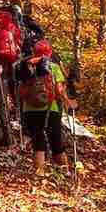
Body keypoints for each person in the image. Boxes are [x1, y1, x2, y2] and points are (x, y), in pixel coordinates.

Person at [14, 39, 73, 178]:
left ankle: (39, 174)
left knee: (38, 142)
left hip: (30, 110)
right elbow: (58, 90)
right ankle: (65, 174)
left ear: (34, 52)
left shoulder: (26, 66)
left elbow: (20, 92)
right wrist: (68, 102)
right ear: (50, 52)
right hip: (50, 109)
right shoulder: (53, 67)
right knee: (56, 142)